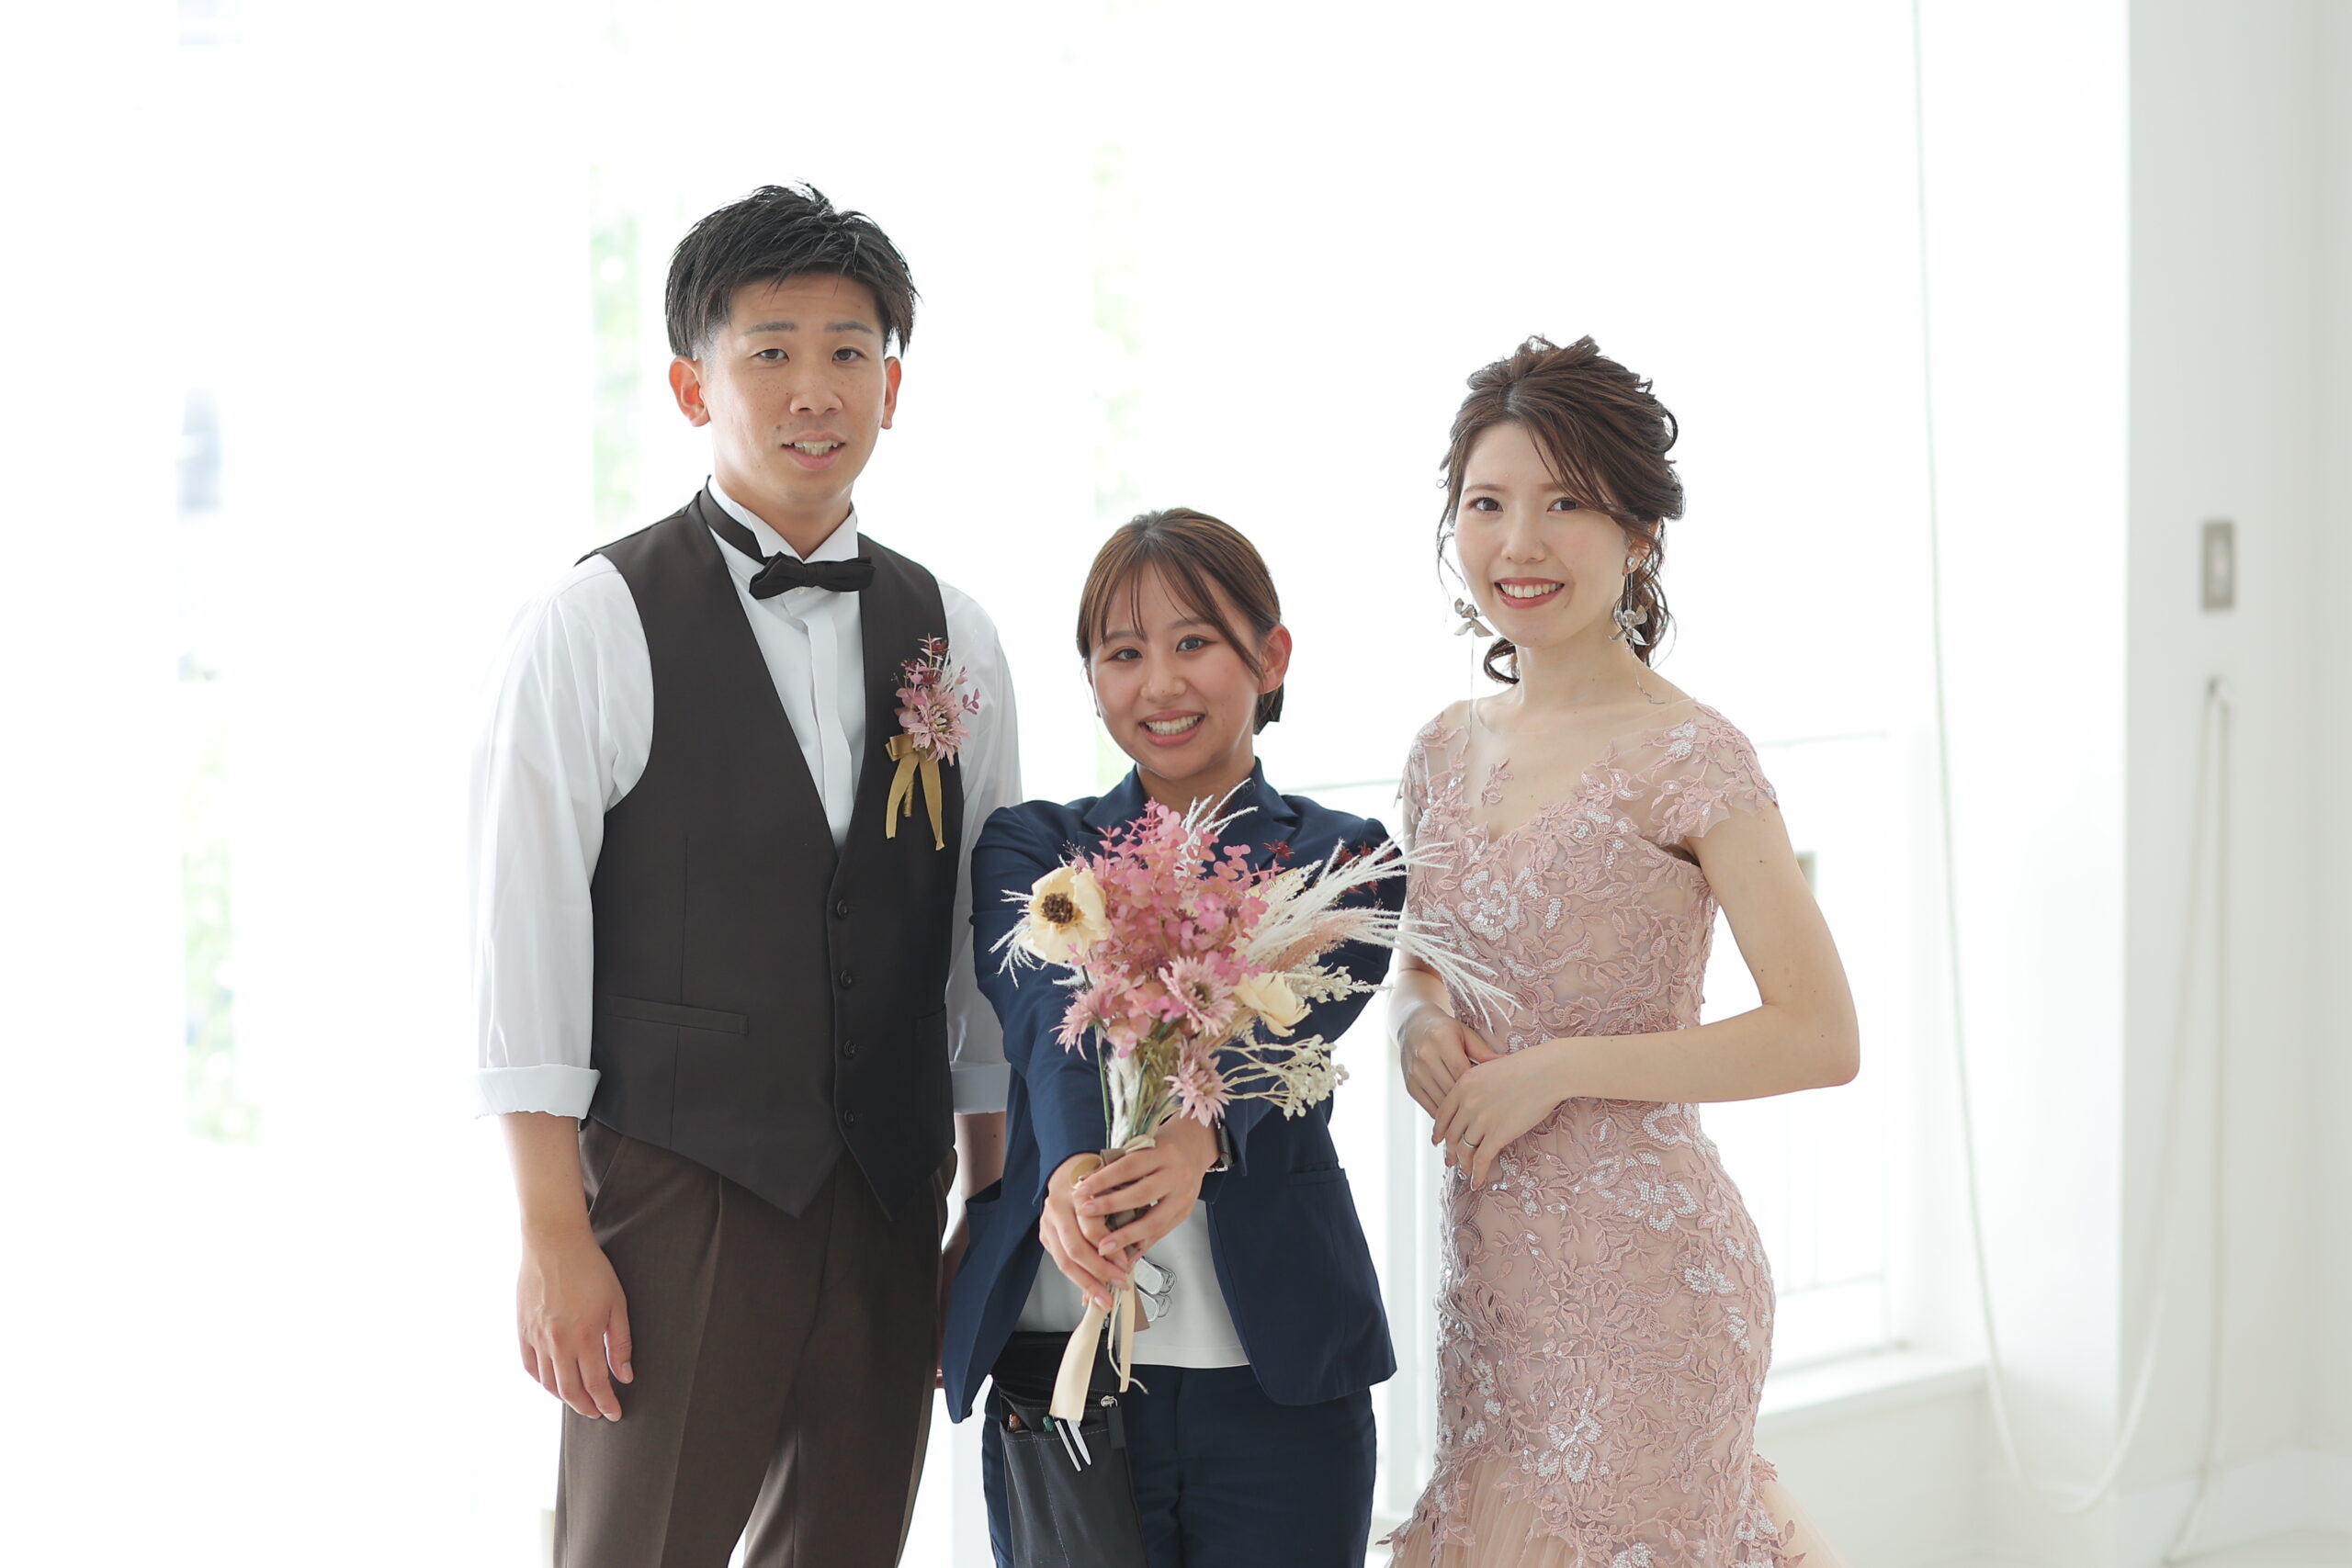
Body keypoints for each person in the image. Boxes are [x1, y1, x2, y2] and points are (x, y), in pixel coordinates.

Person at [469, 184, 1018, 1568]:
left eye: (848, 351)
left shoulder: (953, 634)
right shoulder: (593, 622)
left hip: (890, 1192)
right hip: (675, 1192)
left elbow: (984, 942)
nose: (812, 388)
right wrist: (551, 1233)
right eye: (770, 350)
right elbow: (525, 939)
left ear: (892, 387)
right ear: (690, 384)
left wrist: (991, 1195)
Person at [1384, 337, 1859, 1567]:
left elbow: (1820, 1034)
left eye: (1565, 505)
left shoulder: (1691, 755)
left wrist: (1558, 1070)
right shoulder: (1440, 750)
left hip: (1645, 1290)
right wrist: (1416, 1023)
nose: (1519, 543)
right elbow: (1422, 956)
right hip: (1492, 1294)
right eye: (1487, 503)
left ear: (1640, 533)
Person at [941, 509, 1399, 1568]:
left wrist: (1197, 1139)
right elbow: (1042, 1022)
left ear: (1270, 656)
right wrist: (1069, 1171)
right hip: (1064, 1361)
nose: (1158, 685)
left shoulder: (1347, 861)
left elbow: (1295, 1023)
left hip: (1280, 1374)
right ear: (1090, 679)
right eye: (1122, 654)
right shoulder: (1032, 846)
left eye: (1193, 642)